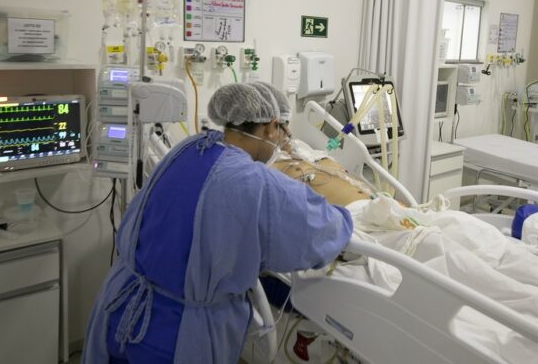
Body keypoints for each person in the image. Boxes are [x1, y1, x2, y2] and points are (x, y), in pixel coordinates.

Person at [81, 82, 353, 364]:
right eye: (284, 133)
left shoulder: (188, 147)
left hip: (118, 308)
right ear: (271, 127)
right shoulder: (253, 181)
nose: (283, 144)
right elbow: (320, 230)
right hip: (174, 336)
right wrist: (349, 217)